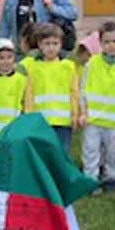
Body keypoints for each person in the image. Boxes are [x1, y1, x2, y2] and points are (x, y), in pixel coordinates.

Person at [80, 21, 115, 192]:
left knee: (113, 151)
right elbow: (83, 89)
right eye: (106, 42)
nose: (111, 45)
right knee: (90, 150)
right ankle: (90, 179)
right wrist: (83, 112)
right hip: (93, 118)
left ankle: (112, 176)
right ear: (100, 43)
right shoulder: (92, 63)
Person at [22, 23, 77, 155]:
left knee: (61, 153)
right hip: (41, 121)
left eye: (55, 43)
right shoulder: (33, 67)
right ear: (40, 45)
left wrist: (75, 115)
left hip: (63, 121)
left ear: (61, 44)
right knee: (43, 152)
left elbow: (74, 92)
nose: (51, 47)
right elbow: (29, 94)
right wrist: (29, 117)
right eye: (47, 43)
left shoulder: (68, 67)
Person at [0, 38, 31, 140]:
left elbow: (26, 104)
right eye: (1, 58)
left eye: (9, 57)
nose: (6, 61)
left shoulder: (22, 80)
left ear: (14, 58)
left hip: (15, 128)